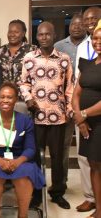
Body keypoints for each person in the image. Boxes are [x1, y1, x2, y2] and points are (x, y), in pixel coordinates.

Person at [20, 21, 74, 209]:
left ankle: (57, 193)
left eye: (47, 34)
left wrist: (69, 111)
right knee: (34, 156)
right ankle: (35, 193)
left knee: (58, 157)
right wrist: (27, 98)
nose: (44, 37)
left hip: (58, 117)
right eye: (41, 34)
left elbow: (70, 88)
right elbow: (23, 83)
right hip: (35, 117)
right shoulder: (29, 58)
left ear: (54, 35)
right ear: (36, 36)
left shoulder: (64, 59)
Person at [0, 82, 45, 218]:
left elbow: (30, 148)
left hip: (19, 158)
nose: (5, 100)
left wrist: (17, 162)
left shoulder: (25, 120)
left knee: (25, 174)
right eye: (2, 97)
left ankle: (22, 215)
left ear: (16, 100)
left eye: (9, 97)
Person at [54, 13, 87, 191]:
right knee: (63, 147)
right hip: (64, 103)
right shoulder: (58, 46)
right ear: (69, 26)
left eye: (80, 24)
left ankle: (90, 190)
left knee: (88, 149)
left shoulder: (92, 44)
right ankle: (61, 185)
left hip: (87, 102)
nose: (77, 27)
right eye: (73, 24)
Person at [73, 6, 101, 214]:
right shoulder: (86, 54)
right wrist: (80, 117)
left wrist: (83, 114)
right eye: (96, 40)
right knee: (90, 163)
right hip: (85, 121)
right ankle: (94, 202)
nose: (97, 42)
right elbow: (76, 89)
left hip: (95, 119)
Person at [0, 19, 36, 86]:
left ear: (23, 33)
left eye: (16, 32)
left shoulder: (33, 50)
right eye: (10, 31)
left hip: (25, 94)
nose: (12, 34)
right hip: (4, 94)